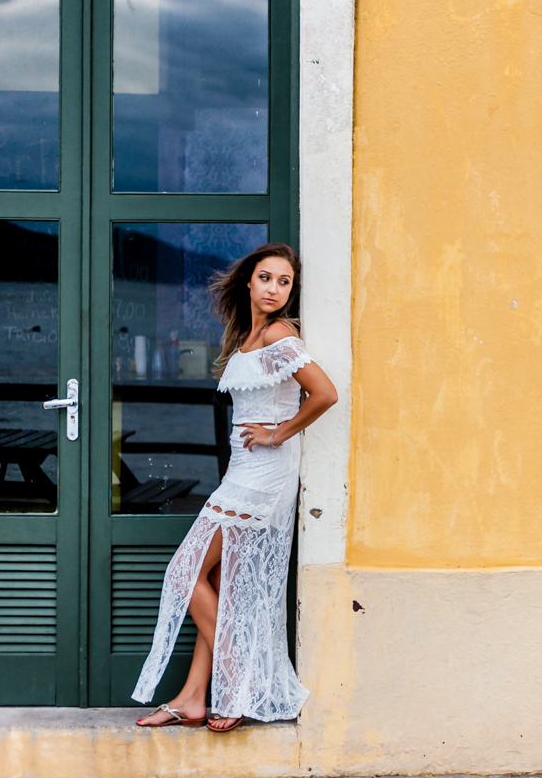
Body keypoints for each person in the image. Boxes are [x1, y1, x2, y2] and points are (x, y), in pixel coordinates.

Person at [133, 242, 338, 732]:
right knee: (222, 583)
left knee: (183, 573)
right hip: (244, 473)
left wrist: (277, 433)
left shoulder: (279, 335)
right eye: (266, 278)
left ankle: (235, 678)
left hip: (262, 476)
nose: (274, 289)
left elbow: (325, 392)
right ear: (249, 280)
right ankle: (191, 697)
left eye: (284, 282)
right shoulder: (250, 335)